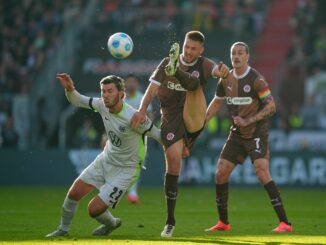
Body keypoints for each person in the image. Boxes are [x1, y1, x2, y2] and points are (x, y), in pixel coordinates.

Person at [131, 30, 229, 237]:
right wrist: (141, 111)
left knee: (194, 85)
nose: (189, 51)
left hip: (193, 112)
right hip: (170, 116)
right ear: (182, 45)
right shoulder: (166, 62)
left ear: (201, 50)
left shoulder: (204, 63)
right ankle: (170, 221)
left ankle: (176, 73)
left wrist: (222, 72)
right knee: (174, 162)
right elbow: (151, 91)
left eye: (194, 49)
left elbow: (217, 71)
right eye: (186, 47)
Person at [46, 73, 161, 238]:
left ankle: (111, 223)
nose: (105, 95)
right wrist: (70, 89)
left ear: (121, 94)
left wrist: (180, 147)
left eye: (110, 91)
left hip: (126, 169)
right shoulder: (101, 105)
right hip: (105, 159)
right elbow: (77, 100)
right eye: (103, 91)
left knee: (94, 210)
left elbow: (158, 135)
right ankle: (63, 229)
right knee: (73, 194)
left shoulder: (134, 117)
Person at [205, 42, 293, 233]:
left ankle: (285, 223)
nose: (236, 57)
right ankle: (223, 223)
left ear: (247, 56)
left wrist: (249, 120)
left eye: (240, 53)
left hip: (256, 132)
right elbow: (216, 103)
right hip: (236, 134)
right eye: (233, 53)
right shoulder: (225, 79)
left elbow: (271, 106)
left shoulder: (256, 79)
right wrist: (200, 124)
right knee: (220, 173)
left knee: (261, 171)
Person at [124, 74, 154, 204]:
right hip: (122, 135)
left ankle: (133, 191)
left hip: (138, 135)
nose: (131, 84)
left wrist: (147, 130)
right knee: (121, 163)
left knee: (137, 163)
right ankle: (122, 187)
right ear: (124, 84)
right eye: (129, 82)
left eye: (133, 82)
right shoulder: (120, 98)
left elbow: (151, 115)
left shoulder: (142, 98)